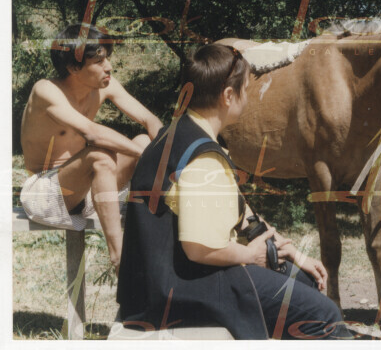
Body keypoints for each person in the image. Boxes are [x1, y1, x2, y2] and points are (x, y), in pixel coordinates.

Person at [116, 44, 352, 340]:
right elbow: (200, 248)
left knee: (301, 278)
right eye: (246, 88)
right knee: (325, 315)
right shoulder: (203, 158)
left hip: (162, 280)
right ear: (228, 96)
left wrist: (291, 251)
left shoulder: (181, 134)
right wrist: (250, 255)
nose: (249, 95)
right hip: (177, 291)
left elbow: (243, 214)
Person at [20, 24, 163, 273]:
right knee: (101, 155)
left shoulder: (106, 83)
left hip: (90, 190)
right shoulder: (45, 90)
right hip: (45, 194)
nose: (108, 66)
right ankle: (120, 260)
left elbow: (150, 121)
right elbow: (92, 133)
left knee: (144, 140)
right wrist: (148, 156)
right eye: (98, 61)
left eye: (107, 58)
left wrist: (169, 152)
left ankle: (157, 234)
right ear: (73, 67)